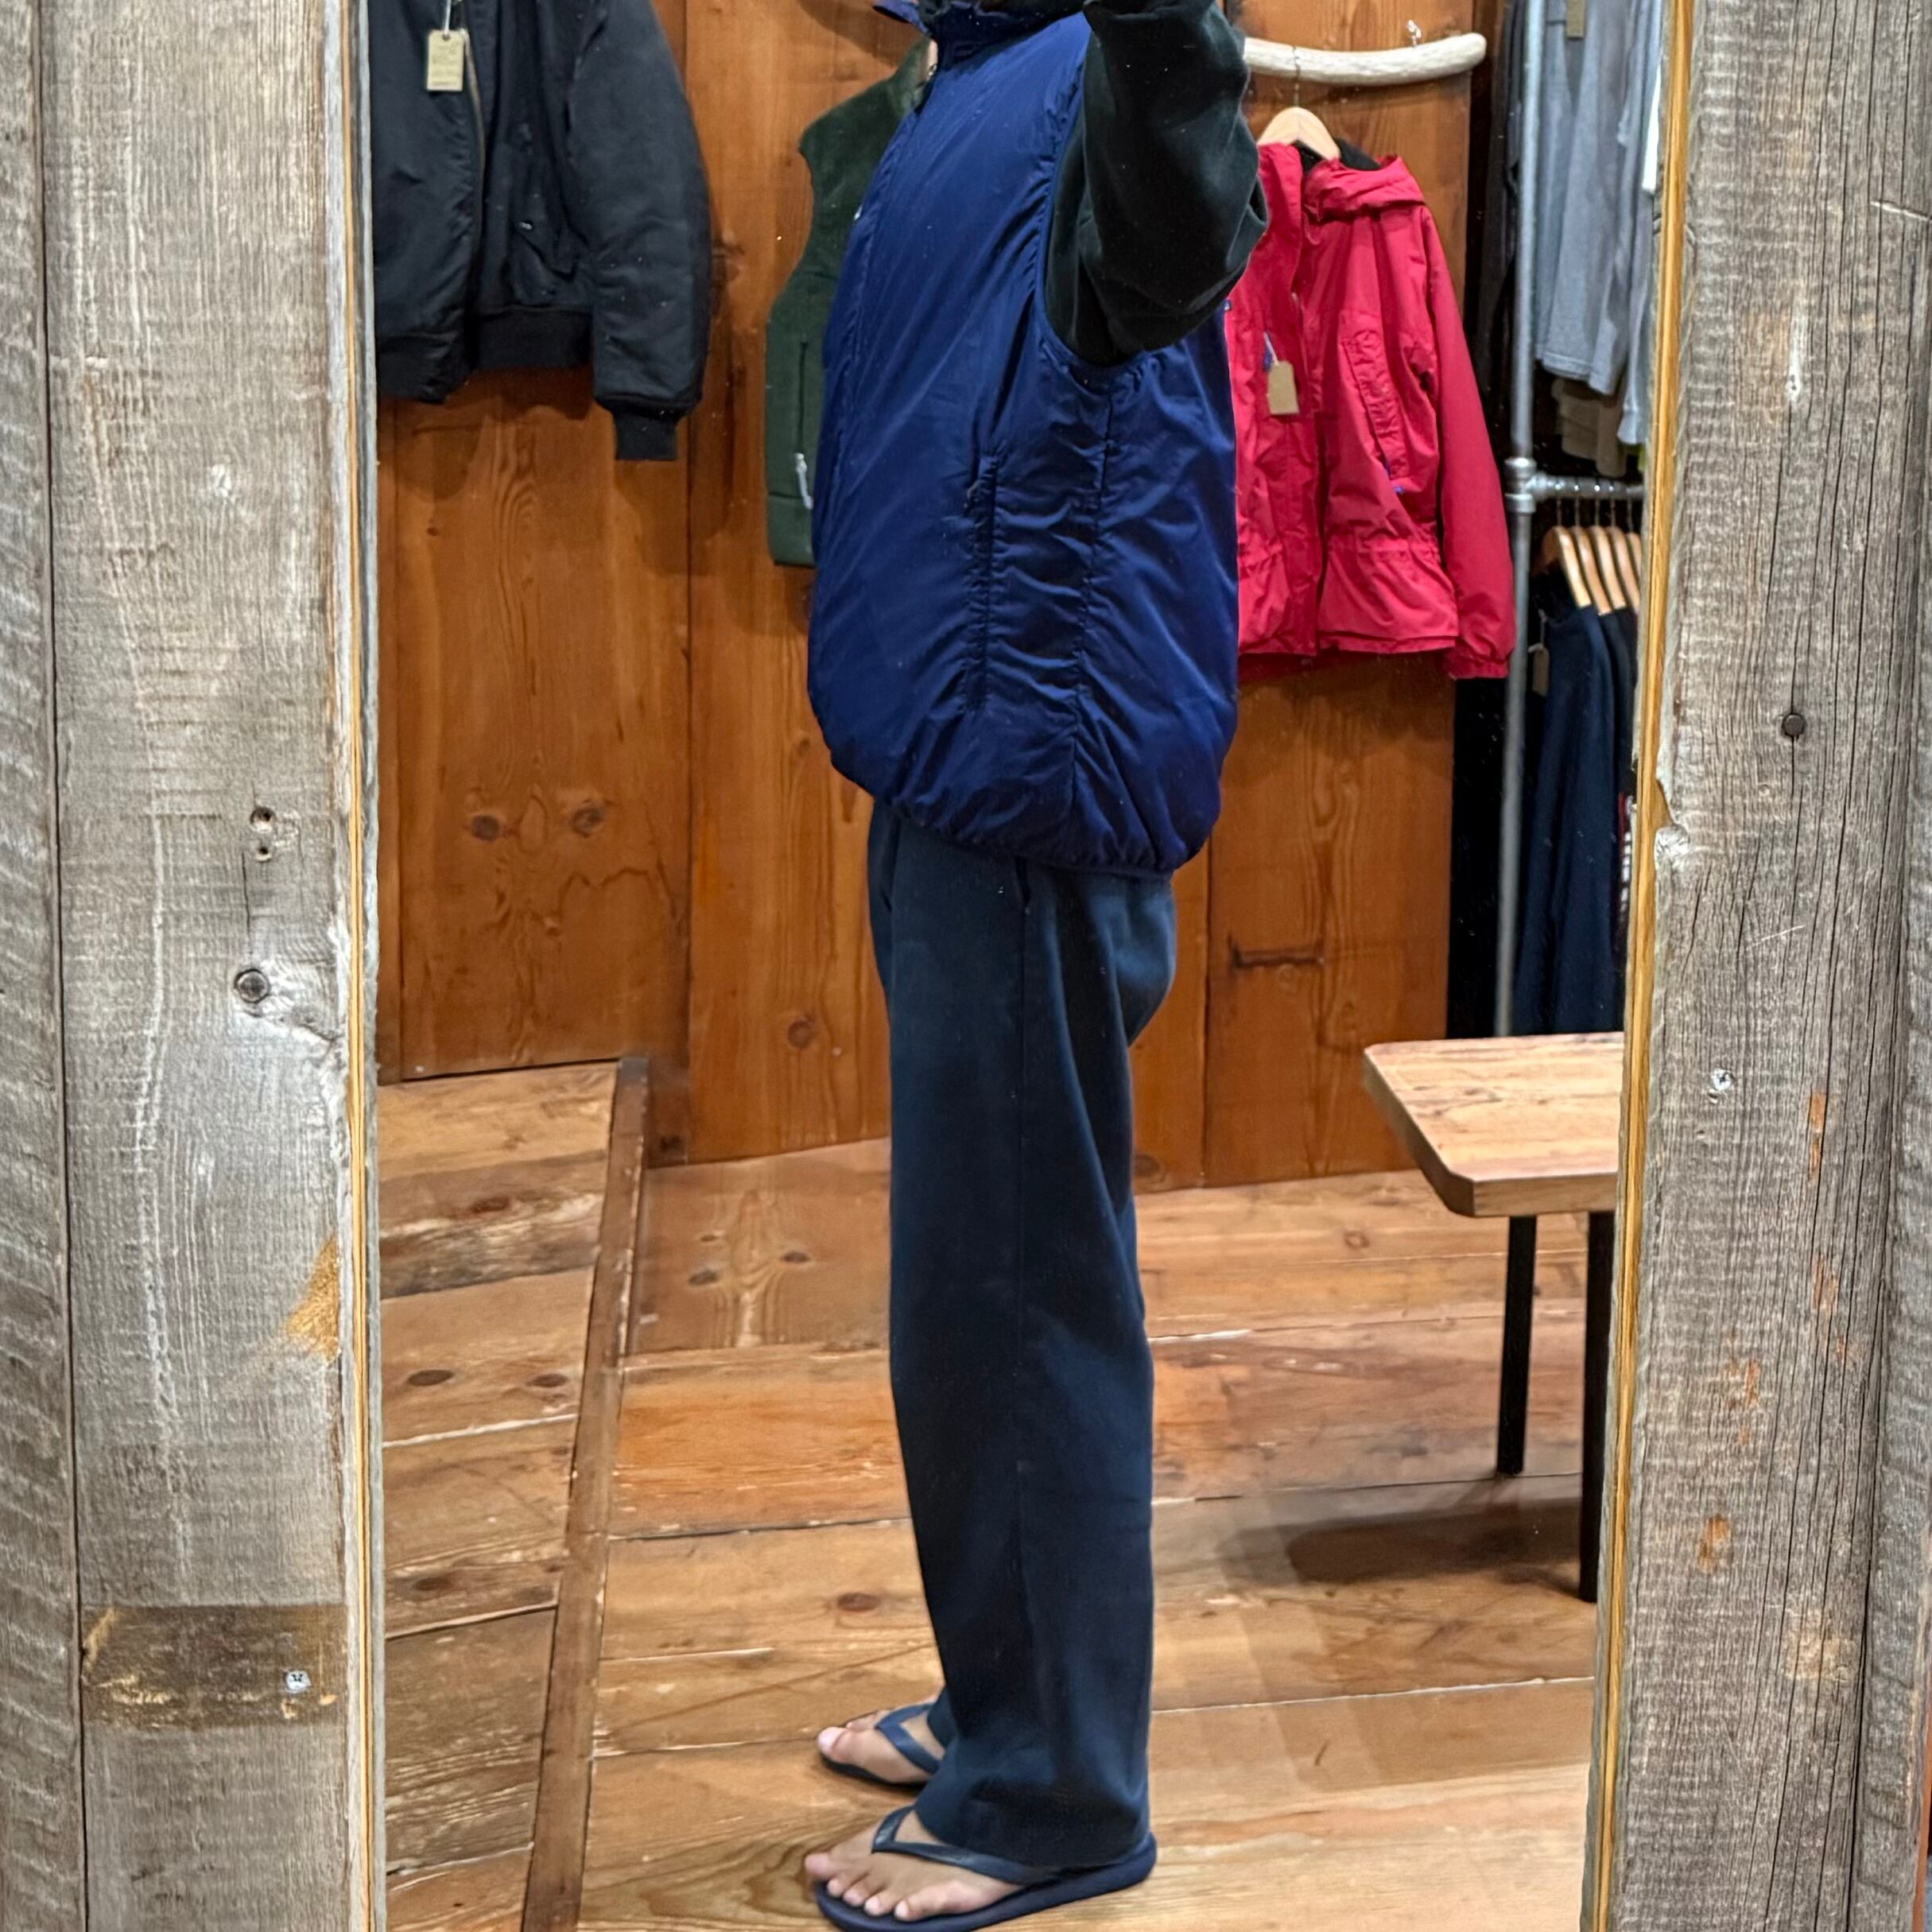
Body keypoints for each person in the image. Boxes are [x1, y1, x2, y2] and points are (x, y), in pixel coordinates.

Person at [803, 0, 1264, 1922]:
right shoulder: (981, 77)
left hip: (1022, 773)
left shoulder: (1107, 72)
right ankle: (1010, 1699)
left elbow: (1178, 209)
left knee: (1015, 1300)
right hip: (967, 752)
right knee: (975, 1297)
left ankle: (1053, 1794)